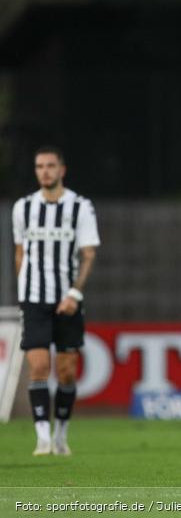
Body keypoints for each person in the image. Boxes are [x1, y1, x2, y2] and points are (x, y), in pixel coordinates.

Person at [12, 147, 100, 456]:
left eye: (50, 165)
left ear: (62, 170)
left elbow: (88, 254)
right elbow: (20, 252)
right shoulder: (23, 207)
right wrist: (24, 290)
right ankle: (42, 437)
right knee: (38, 366)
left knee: (67, 371)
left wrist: (75, 294)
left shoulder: (80, 207)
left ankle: (61, 433)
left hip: (67, 300)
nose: (45, 171)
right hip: (34, 299)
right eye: (39, 166)